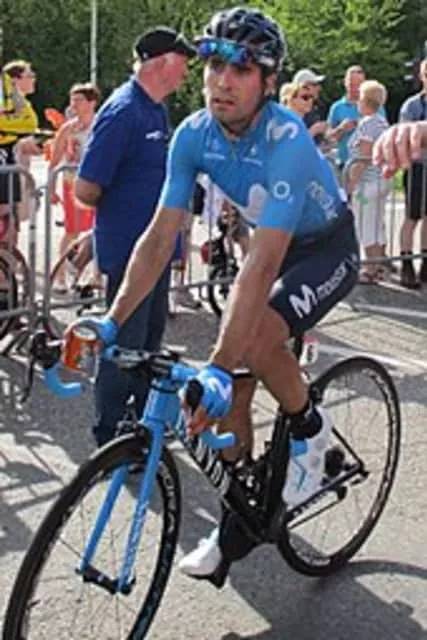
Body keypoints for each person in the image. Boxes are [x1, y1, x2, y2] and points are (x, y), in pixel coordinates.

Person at [75, 7, 359, 582]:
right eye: (214, 65)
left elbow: (263, 263)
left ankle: (310, 431)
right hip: (270, 250)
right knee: (228, 403)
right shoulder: (192, 134)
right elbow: (159, 238)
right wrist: (111, 320)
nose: (222, 81)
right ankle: (240, 517)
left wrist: (220, 365)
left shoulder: (287, 140)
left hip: (322, 249)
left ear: (269, 82)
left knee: (248, 345)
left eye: (242, 68)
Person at [74, 26, 195, 447]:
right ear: (162, 62)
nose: (187, 72)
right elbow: (86, 187)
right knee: (123, 348)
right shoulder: (124, 110)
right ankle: (110, 437)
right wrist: (108, 225)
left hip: (156, 251)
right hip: (130, 252)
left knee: (148, 345)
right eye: (183, 62)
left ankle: (144, 428)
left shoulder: (155, 109)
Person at [48, 82, 101, 293]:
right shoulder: (68, 128)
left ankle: (96, 276)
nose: (73, 104)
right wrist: (51, 188)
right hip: (72, 184)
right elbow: (54, 160)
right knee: (72, 230)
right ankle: (60, 276)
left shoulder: (102, 125)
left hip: (98, 184)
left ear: (92, 102)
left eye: (78, 100)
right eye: (72, 100)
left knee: (99, 229)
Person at [345, 80, 390, 284]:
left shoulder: (368, 124)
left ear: (364, 100)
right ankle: (378, 265)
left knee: (366, 225)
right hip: (381, 180)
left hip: (367, 183)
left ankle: (370, 269)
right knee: (377, 224)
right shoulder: (381, 122)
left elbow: (363, 156)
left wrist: (350, 184)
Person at [395, 59, 427, 288]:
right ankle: (406, 262)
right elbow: (404, 135)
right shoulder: (412, 105)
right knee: (412, 216)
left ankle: (425, 261)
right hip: (417, 168)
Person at [327, 65, 366, 170]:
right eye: (351, 84)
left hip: (368, 164)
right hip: (344, 163)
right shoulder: (337, 107)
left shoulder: (374, 105)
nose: (356, 88)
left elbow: (383, 132)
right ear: (345, 83)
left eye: (359, 84)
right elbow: (328, 139)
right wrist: (341, 129)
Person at [292, 68, 328, 144]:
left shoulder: (313, 110)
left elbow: (317, 144)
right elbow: (291, 145)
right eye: (315, 85)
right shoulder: (288, 116)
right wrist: (313, 131)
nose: (319, 88)